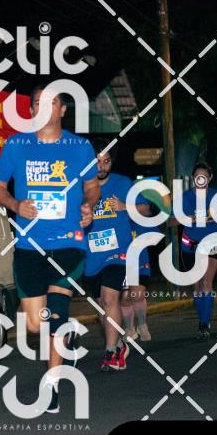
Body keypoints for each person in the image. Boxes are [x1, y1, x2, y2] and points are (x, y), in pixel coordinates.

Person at [0, 85, 99, 412]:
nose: (43, 107)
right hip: (29, 245)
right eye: (38, 102)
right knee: (36, 324)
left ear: (62, 109)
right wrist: (14, 205)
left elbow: (91, 186)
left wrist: (89, 206)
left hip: (68, 243)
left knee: (56, 313)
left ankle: (51, 386)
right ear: (30, 109)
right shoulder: (17, 145)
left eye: (51, 102)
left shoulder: (80, 147)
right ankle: (68, 339)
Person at [84, 143, 145, 371]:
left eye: (106, 161)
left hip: (118, 253)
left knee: (110, 299)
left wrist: (125, 206)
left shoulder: (123, 183)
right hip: (91, 256)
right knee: (102, 306)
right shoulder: (80, 187)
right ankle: (118, 343)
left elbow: (146, 209)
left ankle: (111, 352)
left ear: (111, 162)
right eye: (97, 162)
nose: (101, 166)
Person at [169, 163, 217, 342]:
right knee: (196, 287)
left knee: (206, 281)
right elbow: (171, 222)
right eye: (197, 176)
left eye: (204, 176)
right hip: (190, 246)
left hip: (213, 244)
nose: (200, 179)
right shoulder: (184, 198)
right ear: (193, 178)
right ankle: (203, 318)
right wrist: (188, 219)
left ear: (209, 178)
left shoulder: (216, 196)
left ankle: (204, 324)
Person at [122, 182, 156, 343]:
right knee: (125, 298)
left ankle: (142, 325)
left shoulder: (145, 223)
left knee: (137, 295)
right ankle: (130, 328)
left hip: (141, 263)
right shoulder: (120, 223)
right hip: (122, 264)